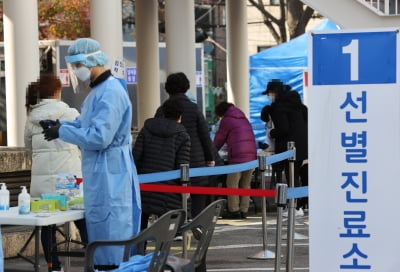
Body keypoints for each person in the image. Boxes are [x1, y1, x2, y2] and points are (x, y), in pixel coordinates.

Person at [41, 38, 141, 270]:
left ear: (90, 61)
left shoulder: (111, 92)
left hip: (110, 173)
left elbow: (99, 137)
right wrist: (60, 125)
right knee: (102, 228)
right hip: (102, 173)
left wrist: (63, 131)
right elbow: (86, 123)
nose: (77, 71)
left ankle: (110, 266)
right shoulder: (99, 91)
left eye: (77, 65)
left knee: (111, 232)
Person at [24, 74, 88, 272]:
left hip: (42, 182)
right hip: (69, 179)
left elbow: (28, 150)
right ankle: (95, 262)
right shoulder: (70, 114)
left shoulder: (31, 119)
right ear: (57, 92)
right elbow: (84, 141)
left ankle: (54, 267)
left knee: (47, 225)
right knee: (82, 219)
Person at [155, 72, 215, 219]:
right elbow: (204, 136)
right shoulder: (194, 109)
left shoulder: (162, 110)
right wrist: (210, 158)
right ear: (186, 87)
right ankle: (197, 224)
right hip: (196, 159)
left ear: (168, 89)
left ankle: (177, 227)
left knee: (174, 196)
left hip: (171, 160)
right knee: (198, 194)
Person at [133, 99, 190, 232]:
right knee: (166, 232)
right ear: (180, 116)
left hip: (144, 187)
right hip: (168, 192)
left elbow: (135, 157)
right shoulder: (182, 135)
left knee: (140, 229)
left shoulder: (147, 129)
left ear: (163, 113)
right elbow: (183, 166)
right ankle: (162, 252)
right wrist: (186, 186)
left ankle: (139, 251)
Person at [262, 80, 308, 216]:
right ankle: (300, 205)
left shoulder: (279, 108)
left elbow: (283, 129)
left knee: (291, 177)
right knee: (299, 176)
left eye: (270, 93)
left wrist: (272, 133)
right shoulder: (299, 106)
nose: (269, 96)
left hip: (289, 148)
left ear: (274, 93)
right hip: (303, 146)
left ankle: (295, 207)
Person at [213, 102, 257, 219]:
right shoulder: (243, 118)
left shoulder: (227, 120)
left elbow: (219, 139)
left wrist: (211, 152)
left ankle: (234, 210)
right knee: (246, 184)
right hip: (251, 154)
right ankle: (244, 210)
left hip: (238, 156)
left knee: (232, 183)